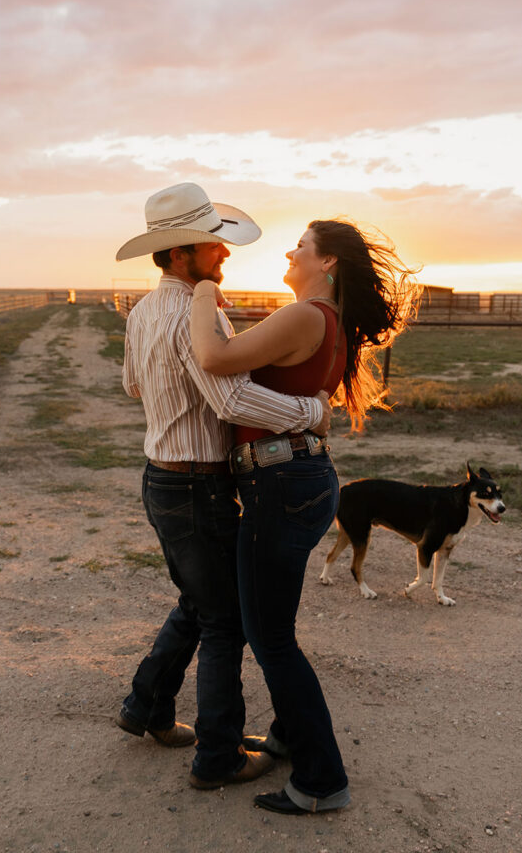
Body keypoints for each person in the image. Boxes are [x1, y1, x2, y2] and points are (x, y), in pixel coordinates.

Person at [190, 218, 419, 814]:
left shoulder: (305, 315)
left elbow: (213, 357)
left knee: (272, 641)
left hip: (280, 484)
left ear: (329, 264)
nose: (290, 252)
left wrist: (198, 294)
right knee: (271, 628)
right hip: (298, 479)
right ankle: (292, 737)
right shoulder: (329, 321)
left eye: (302, 246)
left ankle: (322, 782)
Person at [113, 183, 332, 791]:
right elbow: (231, 395)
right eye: (214, 247)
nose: (225, 255)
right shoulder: (195, 312)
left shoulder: (141, 311)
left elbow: (133, 385)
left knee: (200, 600)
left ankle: (145, 706)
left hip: (160, 477)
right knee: (224, 622)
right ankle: (219, 757)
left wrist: (175, 403)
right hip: (197, 486)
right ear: (180, 254)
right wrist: (310, 411)